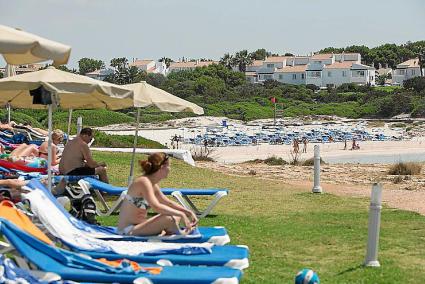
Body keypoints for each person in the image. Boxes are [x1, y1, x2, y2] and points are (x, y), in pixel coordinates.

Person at [118, 152, 198, 236]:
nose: (170, 169)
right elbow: (156, 207)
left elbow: (167, 202)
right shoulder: (143, 182)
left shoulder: (152, 184)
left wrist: (188, 212)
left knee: (175, 215)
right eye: (169, 166)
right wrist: (181, 214)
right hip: (127, 230)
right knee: (168, 218)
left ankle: (170, 230)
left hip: (139, 227)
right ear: (162, 167)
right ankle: (176, 232)